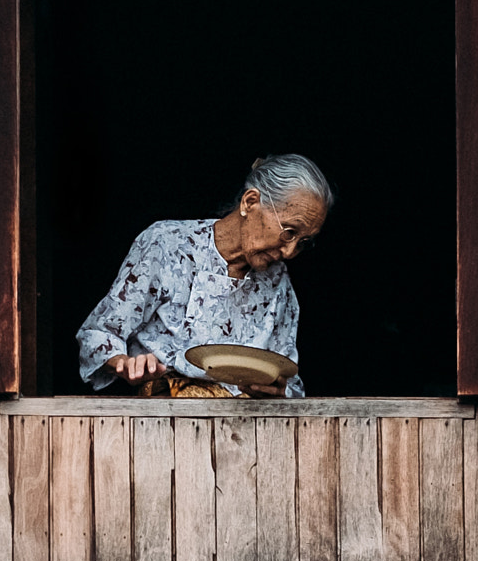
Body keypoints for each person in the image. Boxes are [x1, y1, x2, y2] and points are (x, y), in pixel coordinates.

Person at [76, 153, 330, 398]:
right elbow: (100, 333)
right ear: (250, 202)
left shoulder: (277, 280)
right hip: (164, 419)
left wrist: (277, 390)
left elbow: (289, 377)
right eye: (289, 232)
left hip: (246, 428)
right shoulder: (167, 245)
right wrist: (126, 363)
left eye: (304, 241)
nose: (289, 251)